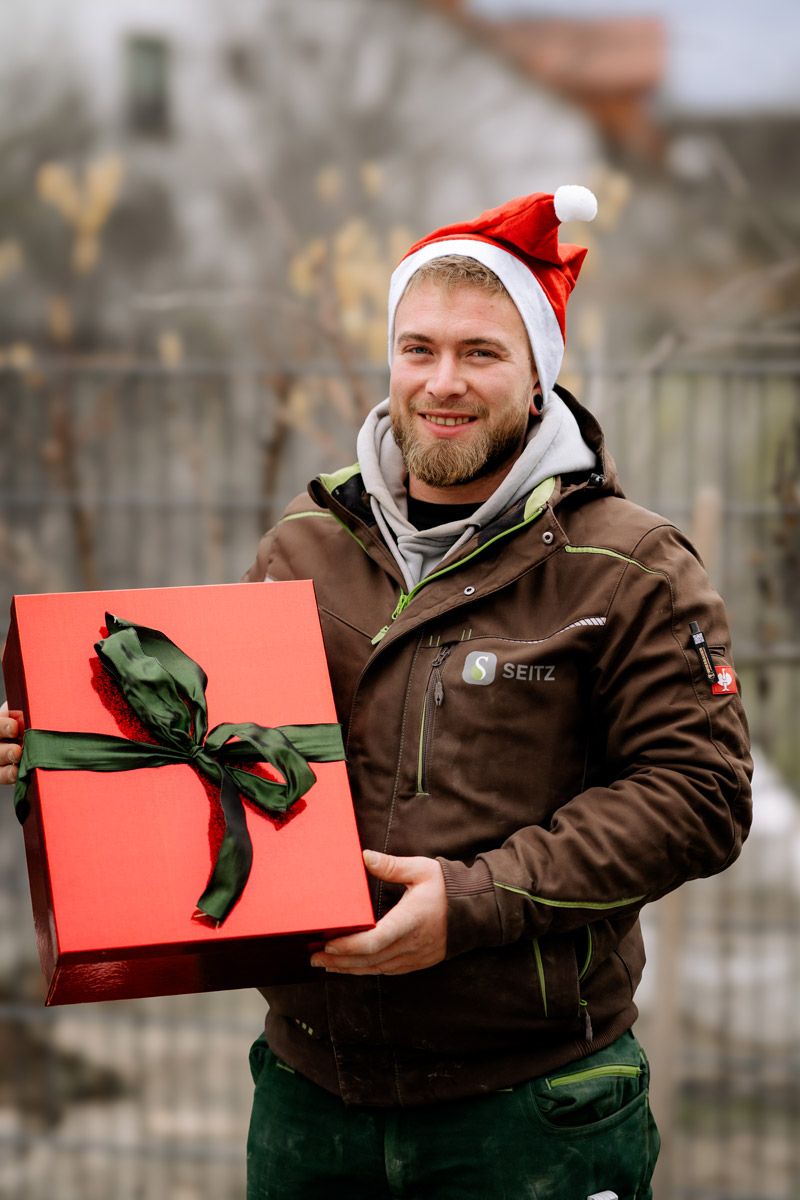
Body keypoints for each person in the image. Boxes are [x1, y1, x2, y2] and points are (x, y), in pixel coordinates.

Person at [1, 186, 752, 1199]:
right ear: (388, 361)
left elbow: (698, 795)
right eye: (417, 349)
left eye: (480, 352)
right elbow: (220, 754)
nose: (442, 382)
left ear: (538, 377)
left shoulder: (628, 566)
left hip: (531, 1114)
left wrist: (471, 903)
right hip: (308, 1101)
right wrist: (55, 757)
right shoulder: (301, 547)